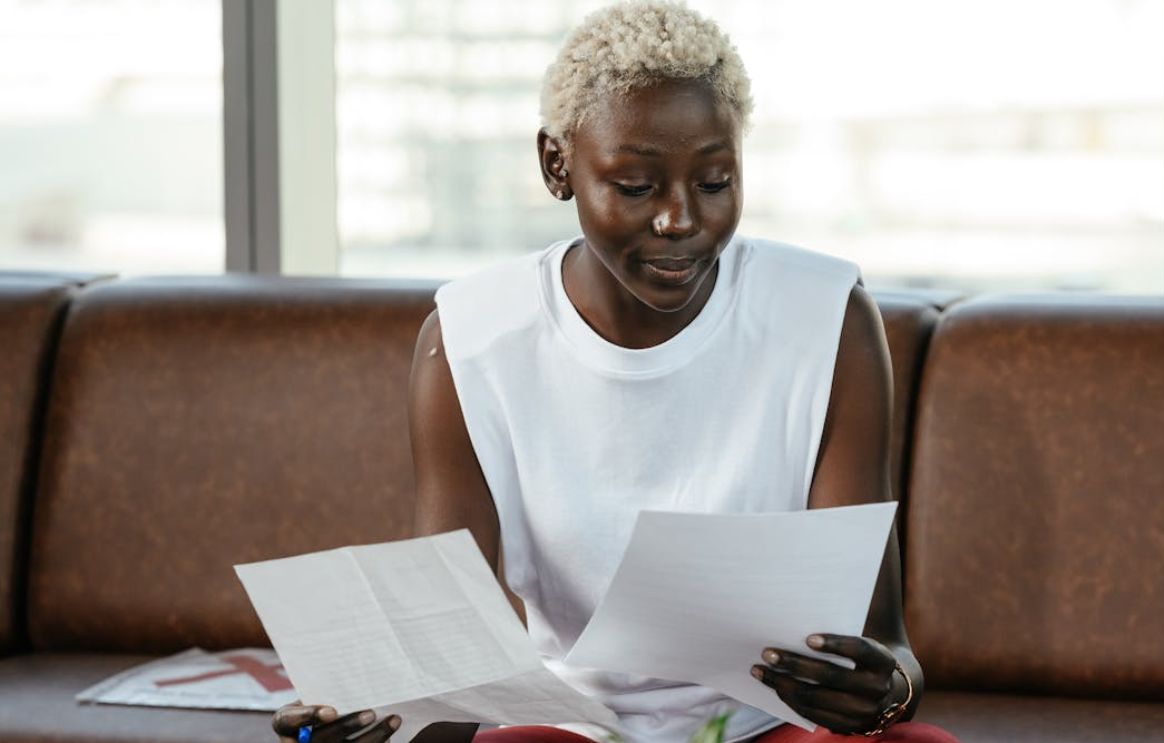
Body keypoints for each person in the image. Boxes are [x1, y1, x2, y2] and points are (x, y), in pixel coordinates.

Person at [273, 2, 959, 743]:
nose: (680, 219)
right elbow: (449, 672)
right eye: (635, 186)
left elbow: (886, 646)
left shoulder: (826, 318)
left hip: (770, 728)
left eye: (715, 180)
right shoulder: (472, 340)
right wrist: (376, 721)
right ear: (556, 165)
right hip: (575, 729)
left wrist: (882, 691)